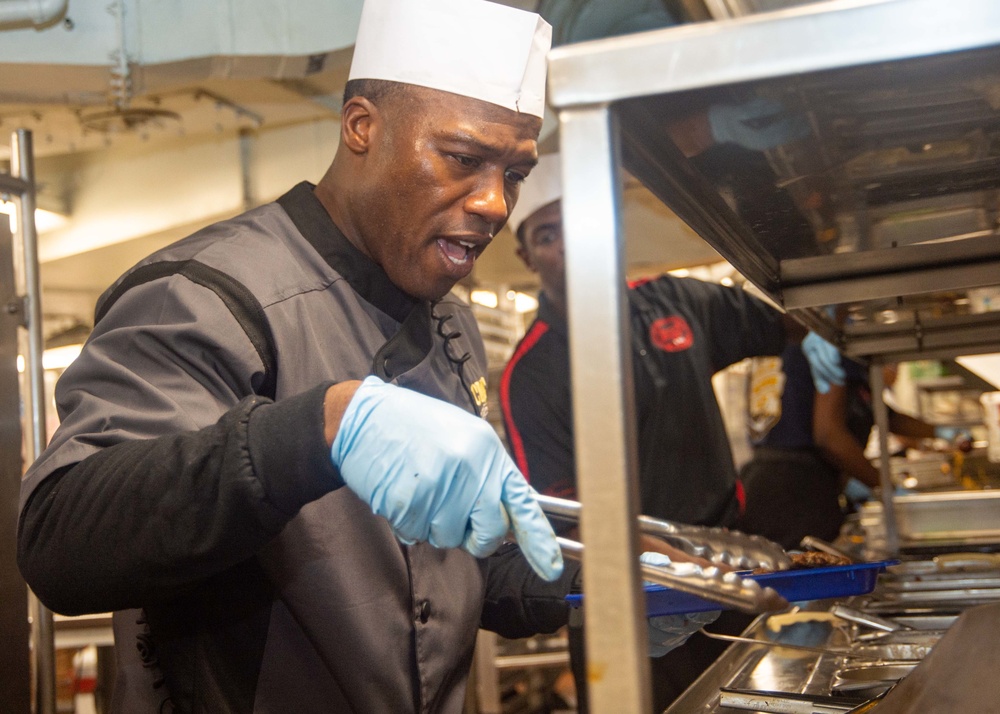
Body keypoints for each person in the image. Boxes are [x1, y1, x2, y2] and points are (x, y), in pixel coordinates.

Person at [16, 2, 714, 711]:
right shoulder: (208, 295)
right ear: (361, 128)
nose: (495, 203)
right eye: (465, 160)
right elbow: (62, 538)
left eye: (515, 173)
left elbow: (456, 571)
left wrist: (601, 584)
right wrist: (319, 428)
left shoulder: (450, 324)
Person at [498, 152, 843, 711]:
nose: (571, 246)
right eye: (549, 234)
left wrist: (821, 334)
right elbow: (567, 521)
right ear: (526, 255)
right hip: (637, 601)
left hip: (725, 570)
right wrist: (679, 571)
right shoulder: (531, 373)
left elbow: (786, 320)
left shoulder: (677, 301)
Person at [738, 346, 938, 550]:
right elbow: (828, 437)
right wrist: (885, 486)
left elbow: (882, 414)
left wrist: (942, 431)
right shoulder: (828, 348)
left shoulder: (788, 349)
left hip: (763, 484)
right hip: (795, 494)